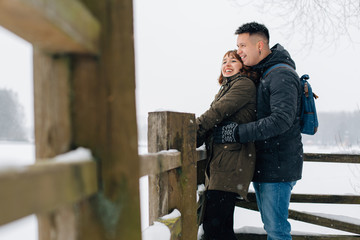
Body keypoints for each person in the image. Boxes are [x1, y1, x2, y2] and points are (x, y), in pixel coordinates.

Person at [213, 22, 303, 240]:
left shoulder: (280, 75)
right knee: (272, 227)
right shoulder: (262, 74)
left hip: (278, 167)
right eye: (237, 45)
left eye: (243, 45)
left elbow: (280, 121)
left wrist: (237, 133)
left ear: (260, 45)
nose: (239, 51)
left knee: (276, 230)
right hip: (266, 165)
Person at [196, 50, 259, 240]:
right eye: (224, 61)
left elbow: (217, 112)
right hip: (223, 161)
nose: (227, 64)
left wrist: (191, 132)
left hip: (231, 162)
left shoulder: (243, 84)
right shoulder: (228, 86)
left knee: (214, 226)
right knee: (221, 228)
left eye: (233, 60)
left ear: (243, 65)